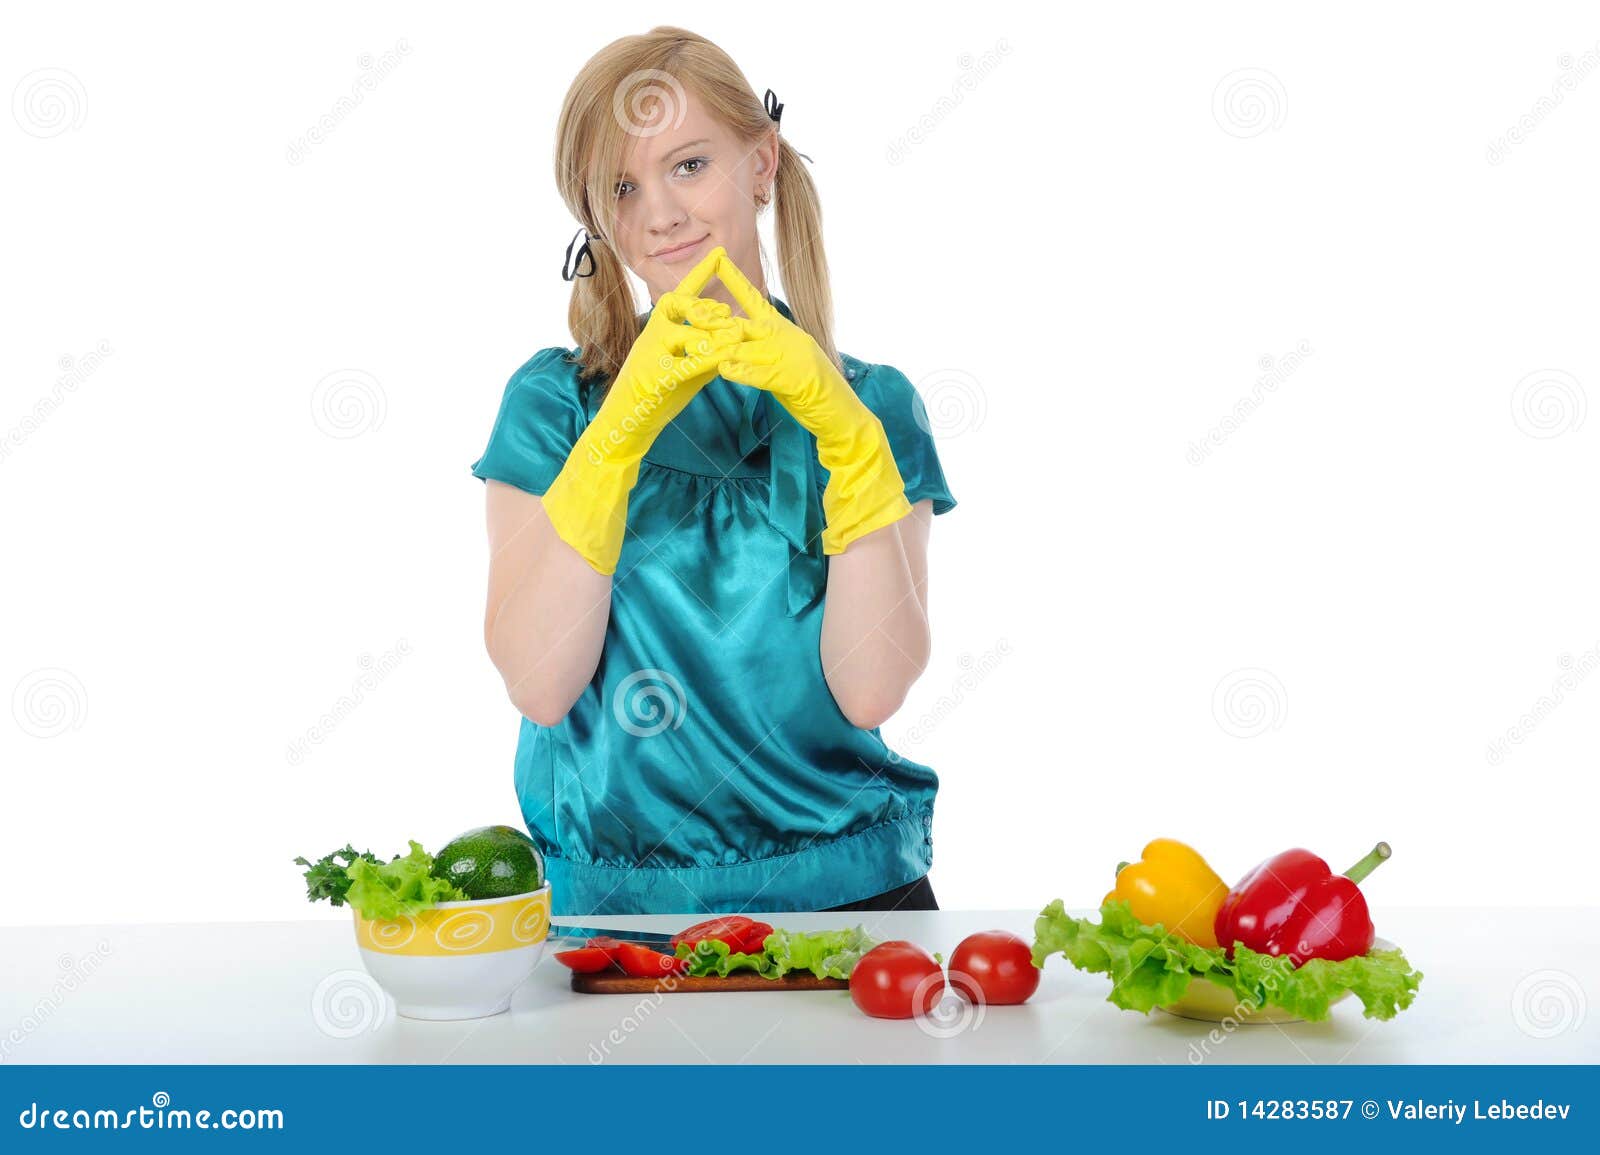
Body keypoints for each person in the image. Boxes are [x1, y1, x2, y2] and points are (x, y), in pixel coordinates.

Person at [470, 26, 956, 916]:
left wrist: (846, 434)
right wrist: (615, 437)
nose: (660, 214)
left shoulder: (873, 407)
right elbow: (540, 684)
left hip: (855, 902)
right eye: (623, 187)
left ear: (761, 162)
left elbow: (871, 687)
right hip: (617, 917)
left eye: (689, 165)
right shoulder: (555, 407)